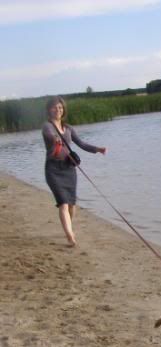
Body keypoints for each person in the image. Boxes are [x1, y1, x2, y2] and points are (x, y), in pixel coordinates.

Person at [42, 96, 107, 247]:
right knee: (63, 203)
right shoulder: (47, 126)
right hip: (53, 169)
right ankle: (69, 235)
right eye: (54, 107)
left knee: (71, 204)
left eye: (60, 107)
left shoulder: (69, 128)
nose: (58, 110)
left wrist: (97, 149)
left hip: (69, 169)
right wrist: (55, 139)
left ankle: (68, 227)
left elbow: (81, 144)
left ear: (63, 109)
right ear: (49, 110)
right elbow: (49, 134)